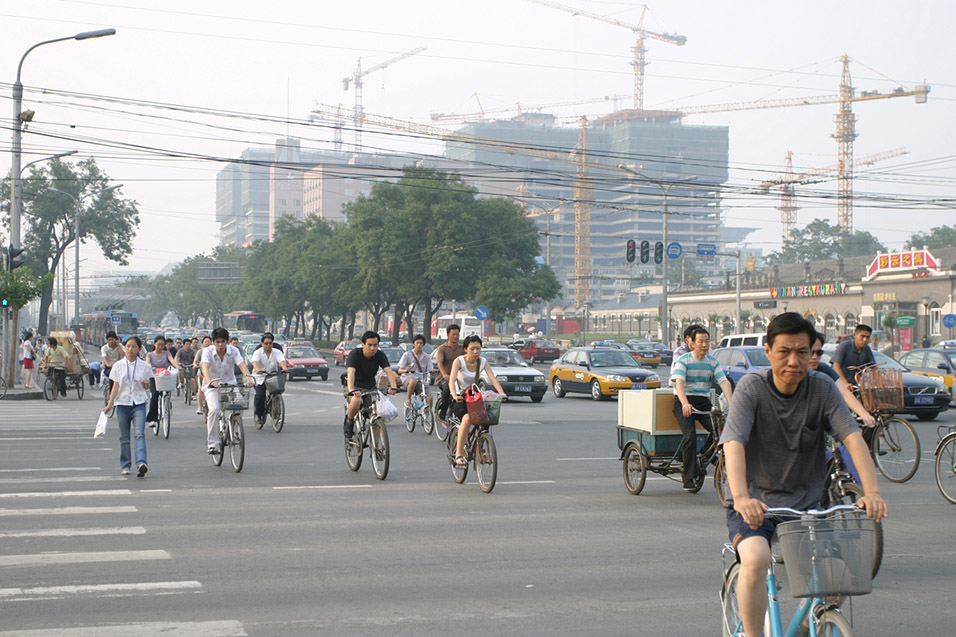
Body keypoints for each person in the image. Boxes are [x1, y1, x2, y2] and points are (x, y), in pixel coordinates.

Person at [719, 313, 887, 637]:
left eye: (802, 352)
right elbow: (734, 443)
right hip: (756, 505)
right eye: (784, 352)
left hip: (805, 507)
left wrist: (873, 491)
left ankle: (809, 626)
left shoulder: (822, 388)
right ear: (768, 352)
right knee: (756, 558)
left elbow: (853, 440)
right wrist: (741, 497)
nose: (793, 361)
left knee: (839, 580)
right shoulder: (752, 388)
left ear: (813, 354)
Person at [671, 328, 733, 491]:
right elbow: (679, 383)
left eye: (707, 341)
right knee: (690, 435)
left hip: (703, 402)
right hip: (684, 401)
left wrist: (732, 405)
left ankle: (705, 453)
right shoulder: (684, 360)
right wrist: (685, 403)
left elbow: (724, 382)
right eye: (701, 341)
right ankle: (689, 476)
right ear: (692, 342)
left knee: (721, 431)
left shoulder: (712, 362)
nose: (705, 345)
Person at [449, 335, 506, 467]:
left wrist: (501, 393)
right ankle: (458, 453)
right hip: (460, 397)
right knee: (467, 419)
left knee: (485, 418)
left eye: (478, 349)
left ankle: (482, 451)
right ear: (465, 349)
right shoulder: (459, 361)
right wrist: (454, 395)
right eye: (472, 349)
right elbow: (451, 380)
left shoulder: (482, 362)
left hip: (474, 397)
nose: (475, 352)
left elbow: (493, 379)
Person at [103, 336, 153, 477]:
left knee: (139, 433)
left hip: (139, 403)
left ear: (138, 349)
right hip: (122, 404)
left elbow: (148, 385)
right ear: (125, 348)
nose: (130, 349)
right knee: (124, 437)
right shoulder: (118, 366)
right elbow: (116, 386)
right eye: (128, 346)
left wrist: (146, 384)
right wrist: (109, 404)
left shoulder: (144, 366)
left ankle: (141, 463)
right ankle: (125, 465)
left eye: (134, 347)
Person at [200, 327, 254, 454]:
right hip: (212, 386)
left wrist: (248, 378)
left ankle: (235, 430)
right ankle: (213, 444)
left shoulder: (234, 351)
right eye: (217, 342)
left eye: (222, 341)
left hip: (230, 385)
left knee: (240, 404)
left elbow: (241, 365)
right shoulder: (207, 352)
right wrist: (211, 381)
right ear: (214, 342)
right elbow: (205, 367)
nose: (220, 345)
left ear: (227, 341)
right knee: (214, 410)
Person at [809, 332, 876, 428]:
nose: (814, 357)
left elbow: (844, 392)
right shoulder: (793, 372)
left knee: (849, 429)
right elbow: (836, 366)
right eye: (811, 352)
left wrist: (864, 414)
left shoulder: (823, 369)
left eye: (819, 353)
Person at [343, 331, 398, 440]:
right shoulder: (355, 354)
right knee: (356, 400)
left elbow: (388, 370)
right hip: (354, 386)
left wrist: (393, 386)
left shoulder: (380, 355)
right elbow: (351, 372)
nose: (372, 348)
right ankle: (349, 422)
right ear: (363, 344)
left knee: (376, 415)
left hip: (370, 387)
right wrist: (352, 389)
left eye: (375, 345)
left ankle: (377, 447)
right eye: (369, 345)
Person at [251, 332, 292, 425]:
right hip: (259, 377)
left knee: (277, 392)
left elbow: (281, 361)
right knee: (260, 395)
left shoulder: (277, 352)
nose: (268, 345)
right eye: (266, 343)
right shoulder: (257, 352)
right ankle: (259, 415)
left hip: (272, 376)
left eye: (270, 343)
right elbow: (254, 362)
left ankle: (276, 413)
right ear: (262, 344)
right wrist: (258, 369)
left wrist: (284, 368)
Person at [145, 336, 180, 429]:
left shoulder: (167, 353)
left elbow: (172, 361)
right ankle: (152, 418)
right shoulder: (150, 355)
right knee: (154, 395)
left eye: (162, 345)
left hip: (165, 376)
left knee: (167, 392)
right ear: (154, 344)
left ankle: (167, 406)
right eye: (158, 345)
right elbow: (147, 363)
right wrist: (149, 369)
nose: (160, 347)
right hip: (154, 377)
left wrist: (177, 368)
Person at [434, 324, 465, 421]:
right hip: (444, 378)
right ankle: (443, 411)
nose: (455, 336)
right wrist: (444, 374)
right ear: (448, 335)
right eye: (453, 334)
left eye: (457, 334)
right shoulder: (442, 348)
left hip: (458, 378)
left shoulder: (462, 348)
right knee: (447, 389)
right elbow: (439, 362)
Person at [397, 334, 434, 409]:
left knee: (429, 398)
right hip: (408, 378)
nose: (419, 345)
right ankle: (408, 399)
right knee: (413, 381)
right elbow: (400, 370)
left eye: (421, 343)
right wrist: (406, 370)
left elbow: (430, 368)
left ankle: (427, 415)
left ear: (423, 344)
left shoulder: (426, 356)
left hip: (421, 380)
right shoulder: (407, 355)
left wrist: (432, 371)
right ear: (414, 343)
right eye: (417, 343)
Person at [100, 331, 123, 396]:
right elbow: (104, 358)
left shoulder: (120, 346)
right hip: (109, 368)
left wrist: (118, 345)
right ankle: (111, 395)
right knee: (112, 377)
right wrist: (109, 365)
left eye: (112, 339)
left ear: (116, 339)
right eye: (109, 340)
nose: (111, 341)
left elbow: (124, 356)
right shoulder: (104, 348)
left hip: (119, 367)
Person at [194, 335, 211, 415]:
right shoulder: (200, 351)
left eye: (209, 341)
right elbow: (196, 360)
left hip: (212, 374)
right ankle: (200, 407)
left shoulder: (214, 351)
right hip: (201, 373)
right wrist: (195, 364)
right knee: (200, 389)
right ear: (203, 343)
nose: (207, 343)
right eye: (206, 342)